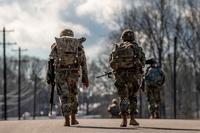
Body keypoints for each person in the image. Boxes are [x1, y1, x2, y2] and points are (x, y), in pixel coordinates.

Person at [47, 29, 89, 126]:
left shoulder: (56, 46)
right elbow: (83, 63)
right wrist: (85, 77)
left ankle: (67, 120)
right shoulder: (78, 45)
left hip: (60, 74)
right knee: (73, 95)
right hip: (74, 73)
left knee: (64, 96)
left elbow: (50, 63)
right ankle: (73, 119)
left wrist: (49, 76)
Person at [109, 29, 145, 127]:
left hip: (120, 76)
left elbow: (111, 62)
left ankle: (124, 120)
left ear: (123, 38)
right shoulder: (137, 48)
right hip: (133, 76)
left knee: (123, 97)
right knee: (133, 97)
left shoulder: (117, 47)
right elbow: (143, 62)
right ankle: (132, 119)